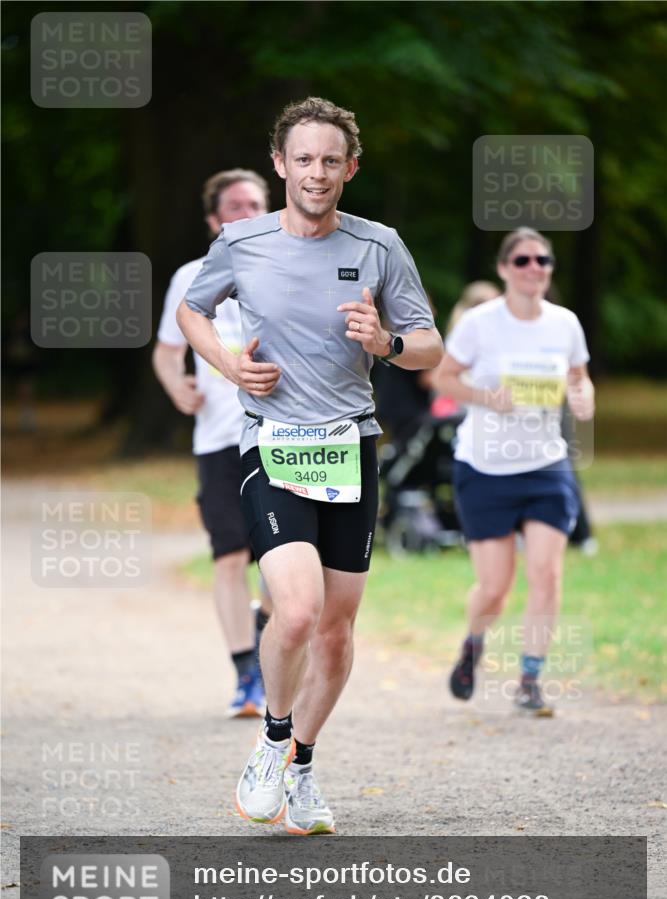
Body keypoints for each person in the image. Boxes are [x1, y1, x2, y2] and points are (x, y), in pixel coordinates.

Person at [177, 96, 443, 834]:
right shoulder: (241, 241)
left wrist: (385, 340)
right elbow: (191, 312)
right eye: (303, 159)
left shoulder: (379, 245)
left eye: (331, 160)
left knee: (335, 627)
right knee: (295, 610)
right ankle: (271, 740)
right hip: (274, 443)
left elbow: (429, 348)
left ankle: (302, 766)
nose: (316, 172)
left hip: (351, 445)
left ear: (350, 167)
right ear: (279, 164)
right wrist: (230, 366)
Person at [434, 227, 595, 716]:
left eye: (543, 260)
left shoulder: (565, 324)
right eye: (522, 260)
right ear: (504, 269)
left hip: (546, 465)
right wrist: (486, 398)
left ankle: (529, 678)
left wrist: (584, 399)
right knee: (495, 587)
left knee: (546, 574)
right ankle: (474, 643)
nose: (534, 268)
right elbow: (442, 377)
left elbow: (579, 382)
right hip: (485, 467)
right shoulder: (481, 323)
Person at [153, 169, 272, 719]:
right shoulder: (190, 277)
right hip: (221, 441)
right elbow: (166, 351)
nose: (245, 213)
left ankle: (267, 636)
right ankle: (247, 673)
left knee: (281, 563)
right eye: (233, 206)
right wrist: (178, 387)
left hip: (282, 434)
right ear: (212, 219)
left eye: (255, 203)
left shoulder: (289, 263)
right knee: (229, 558)